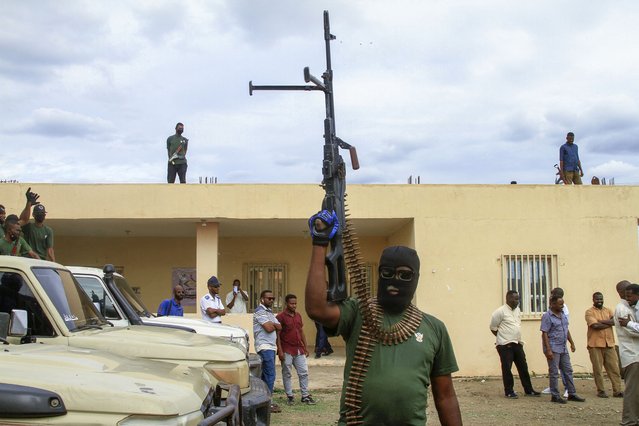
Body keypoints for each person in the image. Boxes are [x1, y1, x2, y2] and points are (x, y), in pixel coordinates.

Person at [305, 210, 462, 425]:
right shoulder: (358, 311)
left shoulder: (433, 328)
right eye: (387, 273)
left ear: (416, 278)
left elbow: (445, 396)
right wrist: (320, 242)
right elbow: (317, 309)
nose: (394, 281)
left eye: (404, 275)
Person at [489, 290, 541, 398]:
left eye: (518, 298)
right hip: (505, 345)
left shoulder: (517, 310)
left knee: (523, 367)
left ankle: (529, 390)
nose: (517, 301)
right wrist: (504, 338)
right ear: (508, 299)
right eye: (515, 298)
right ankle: (509, 391)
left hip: (517, 343)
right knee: (507, 369)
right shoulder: (500, 312)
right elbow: (493, 328)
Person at [540, 295, 586, 404]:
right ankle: (555, 395)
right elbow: (544, 333)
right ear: (553, 304)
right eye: (560, 304)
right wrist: (548, 350)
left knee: (568, 370)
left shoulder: (562, 315)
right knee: (554, 372)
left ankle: (572, 393)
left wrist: (572, 342)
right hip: (553, 347)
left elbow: (566, 329)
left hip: (563, 347)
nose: (562, 306)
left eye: (563, 304)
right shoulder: (547, 316)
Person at [276, 294, 316, 406]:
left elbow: (301, 331)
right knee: (287, 373)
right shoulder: (280, 317)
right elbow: (277, 335)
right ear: (286, 303)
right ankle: (289, 396)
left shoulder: (298, 315)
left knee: (303, 372)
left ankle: (305, 396)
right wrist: (280, 350)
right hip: (287, 349)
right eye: (291, 303)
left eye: (295, 303)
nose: (294, 305)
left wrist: (306, 347)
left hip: (299, 349)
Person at [584, 292, 623, 398]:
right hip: (595, 344)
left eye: (601, 299)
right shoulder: (589, 312)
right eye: (597, 299)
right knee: (598, 369)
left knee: (614, 369)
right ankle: (601, 391)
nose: (599, 301)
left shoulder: (608, 310)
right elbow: (595, 325)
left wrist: (602, 321)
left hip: (609, 344)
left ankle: (617, 390)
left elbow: (616, 322)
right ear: (593, 300)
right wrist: (608, 322)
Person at [253, 289, 282, 413]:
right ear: (262, 299)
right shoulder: (260, 311)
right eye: (268, 298)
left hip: (270, 347)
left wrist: (274, 325)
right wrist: (273, 325)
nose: (271, 300)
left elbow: (280, 326)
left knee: (265, 376)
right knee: (270, 376)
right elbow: (270, 328)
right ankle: (268, 404)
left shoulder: (269, 312)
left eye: (272, 298)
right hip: (265, 347)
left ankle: (264, 402)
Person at [614, 283, 639, 425]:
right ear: (620, 292)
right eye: (626, 291)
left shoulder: (632, 307)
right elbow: (630, 331)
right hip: (632, 355)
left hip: (636, 354)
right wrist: (630, 324)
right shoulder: (622, 308)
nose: (628, 294)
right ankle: (629, 420)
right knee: (632, 390)